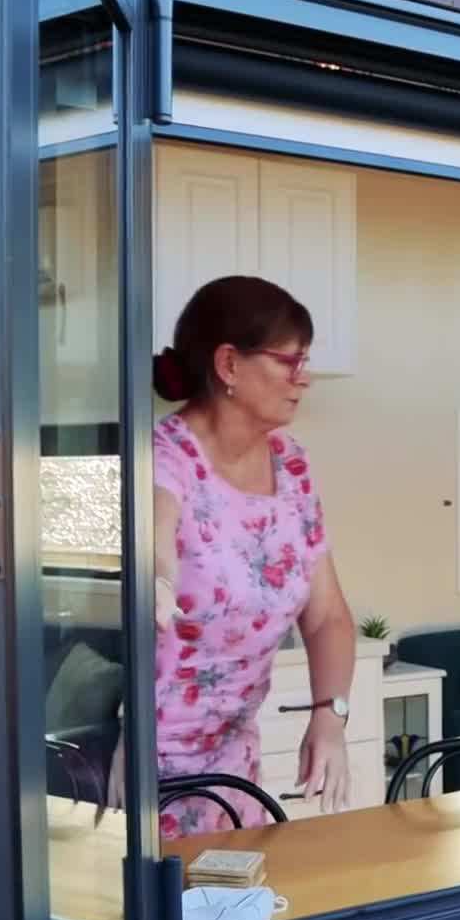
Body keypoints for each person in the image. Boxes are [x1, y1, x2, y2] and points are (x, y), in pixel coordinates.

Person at [110, 275, 357, 836]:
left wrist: (330, 716)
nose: (304, 378)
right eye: (289, 361)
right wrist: (155, 579)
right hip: (143, 765)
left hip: (232, 768)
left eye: (304, 361)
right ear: (228, 364)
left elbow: (326, 616)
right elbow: (155, 535)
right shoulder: (164, 456)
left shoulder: (291, 464)